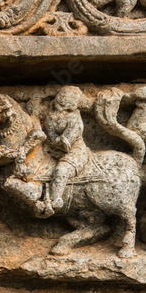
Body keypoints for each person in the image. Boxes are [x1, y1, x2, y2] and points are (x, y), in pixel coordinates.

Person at [40, 86, 91, 217]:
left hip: (73, 152)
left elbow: (65, 143)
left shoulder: (74, 119)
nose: (61, 100)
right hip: (50, 150)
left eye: (65, 98)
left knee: (61, 170)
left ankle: (55, 199)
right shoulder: (51, 114)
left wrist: (53, 140)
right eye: (61, 96)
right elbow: (49, 134)